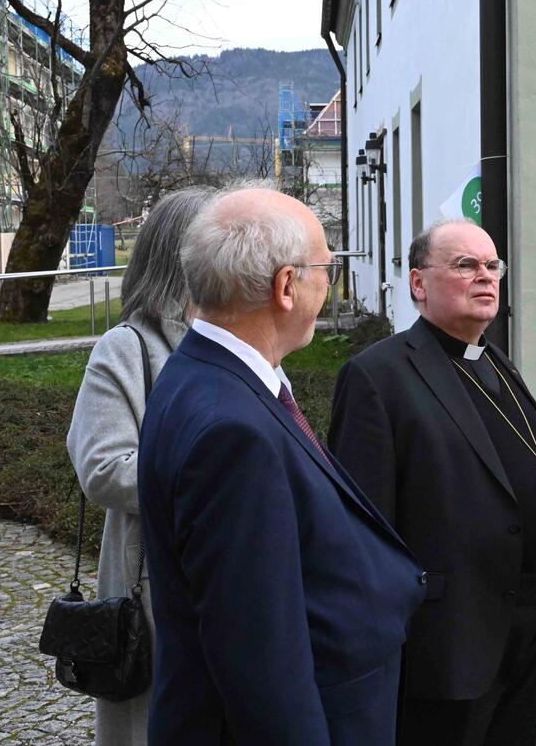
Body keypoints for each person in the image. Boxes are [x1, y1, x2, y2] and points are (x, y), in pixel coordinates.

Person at [137, 186, 425, 745]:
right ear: (286, 286)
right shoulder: (232, 430)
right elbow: (260, 660)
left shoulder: (207, 374)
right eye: (326, 268)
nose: (330, 282)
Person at [326, 219, 536, 746]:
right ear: (417, 284)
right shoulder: (378, 376)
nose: (486, 277)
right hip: (453, 630)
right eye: (465, 265)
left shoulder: (495, 361)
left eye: (492, 265)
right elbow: (361, 529)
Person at [66, 186, 215, 746]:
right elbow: (104, 470)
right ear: (180, 258)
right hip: (150, 587)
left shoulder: (241, 345)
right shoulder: (125, 348)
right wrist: (215, 476)